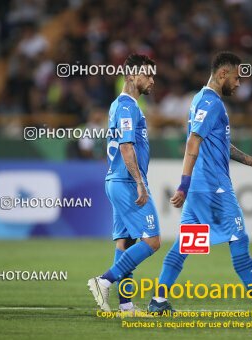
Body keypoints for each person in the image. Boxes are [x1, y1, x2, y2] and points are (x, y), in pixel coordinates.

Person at [147, 52, 252, 313]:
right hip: (213, 187)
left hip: (201, 187)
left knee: (185, 244)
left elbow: (219, 144)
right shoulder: (211, 103)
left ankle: (158, 300)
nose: (239, 84)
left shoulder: (201, 100)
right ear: (222, 74)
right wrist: (183, 183)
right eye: (237, 78)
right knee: (238, 238)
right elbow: (193, 141)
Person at [88, 54, 160, 313]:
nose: (152, 80)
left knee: (126, 243)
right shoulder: (128, 106)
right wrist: (140, 183)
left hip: (117, 179)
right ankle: (103, 281)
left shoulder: (119, 105)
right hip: (127, 181)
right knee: (152, 241)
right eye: (148, 75)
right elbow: (127, 147)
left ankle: (126, 304)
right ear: (131, 76)